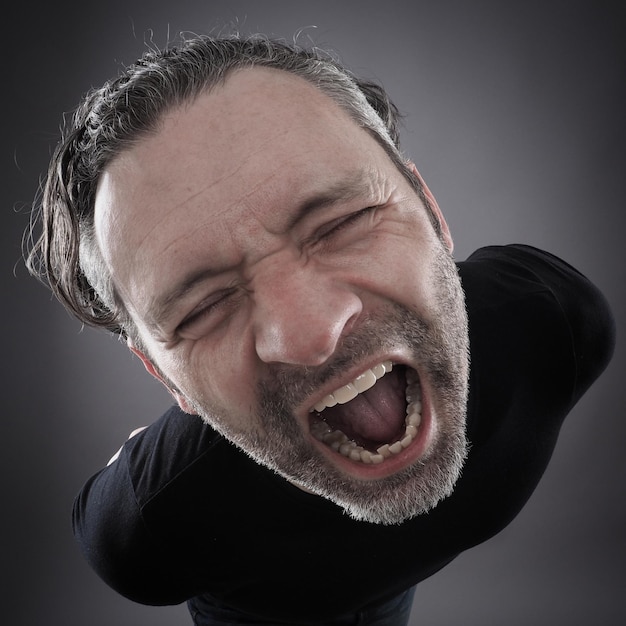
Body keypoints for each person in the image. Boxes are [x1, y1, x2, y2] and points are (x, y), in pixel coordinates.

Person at [26, 34, 615, 625]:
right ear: (164, 376)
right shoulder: (149, 522)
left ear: (432, 213)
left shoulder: (556, 317)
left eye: (343, 223)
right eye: (203, 308)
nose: (313, 334)